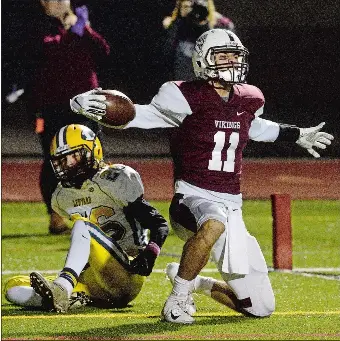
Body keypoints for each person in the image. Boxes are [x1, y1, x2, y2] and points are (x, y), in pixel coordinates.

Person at [69, 29, 334, 324]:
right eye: (222, 57)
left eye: (235, 56)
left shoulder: (249, 98)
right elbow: (140, 116)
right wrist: (101, 108)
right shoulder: (183, 95)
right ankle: (178, 299)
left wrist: (297, 135)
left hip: (233, 206)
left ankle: (196, 283)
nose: (231, 63)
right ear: (203, 62)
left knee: (261, 307)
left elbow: (257, 128)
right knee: (213, 221)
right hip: (192, 197)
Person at [4, 124, 169, 313]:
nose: (68, 164)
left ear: (92, 151)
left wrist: (149, 254)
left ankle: (62, 288)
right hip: (95, 281)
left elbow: (159, 224)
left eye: (74, 156)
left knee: (84, 225)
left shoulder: (116, 178)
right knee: (13, 287)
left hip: (126, 273)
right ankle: (69, 297)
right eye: (62, 160)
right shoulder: (62, 195)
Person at [6, 0, 110, 234]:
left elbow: (103, 51)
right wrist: (73, 34)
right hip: (52, 104)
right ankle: (56, 215)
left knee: (91, 156)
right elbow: (47, 52)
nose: (59, 2)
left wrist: (85, 30)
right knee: (55, 159)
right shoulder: (38, 27)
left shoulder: (81, 25)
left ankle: (96, 213)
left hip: (85, 103)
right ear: (43, 4)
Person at [162, 0, 234, 81]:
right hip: (183, 82)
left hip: (210, 82)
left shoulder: (223, 25)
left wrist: (205, 24)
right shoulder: (176, 25)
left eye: (198, 3)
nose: (194, 8)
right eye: (190, 4)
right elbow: (166, 54)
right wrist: (178, 21)